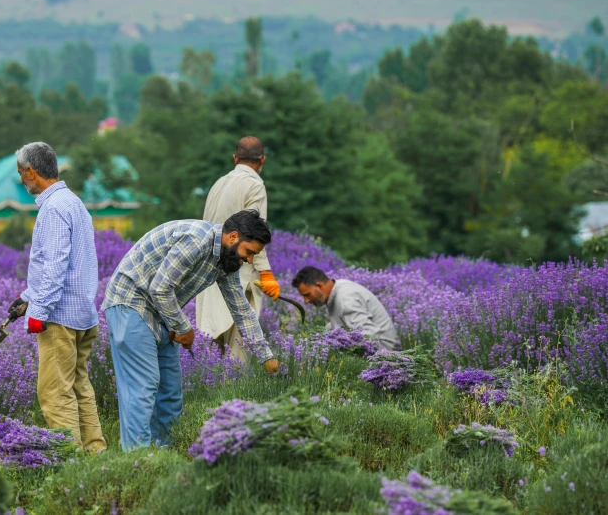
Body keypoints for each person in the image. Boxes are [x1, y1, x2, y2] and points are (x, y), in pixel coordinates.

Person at [102, 210, 280, 451]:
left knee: (170, 392)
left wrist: (266, 355)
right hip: (132, 303)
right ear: (233, 237)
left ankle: (166, 453)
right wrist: (183, 328)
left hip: (164, 311)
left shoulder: (227, 261)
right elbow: (161, 289)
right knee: (142, 387)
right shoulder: (197, 240)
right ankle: (137, 460)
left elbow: (241, 309)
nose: (249, 260)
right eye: (249, 252)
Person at [14, 141, 107, 452]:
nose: (20, 179)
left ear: (31, 171)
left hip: (59, 318)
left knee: (55, 394)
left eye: (20, 173)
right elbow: (66, 263)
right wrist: (27, 296)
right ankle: (95, 453)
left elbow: (55, 263)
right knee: (79, 386)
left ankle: (72, 462)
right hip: (83, 313)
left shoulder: (52, 208)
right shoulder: (72, 202)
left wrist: (38, 311)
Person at [196, 136, 281, 363]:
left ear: (235, 158)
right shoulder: (255, 185)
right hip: (239, 273)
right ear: (262, 160)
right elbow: (254, 235)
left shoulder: (219, 183)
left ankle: (212, 395)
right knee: (238, 349)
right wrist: (265, 273)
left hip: (210, 269)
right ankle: (234, 394)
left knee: (214, 346)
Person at [292, 266, 401, 350]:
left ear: (319, 286)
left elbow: (369, 336)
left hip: (386, 354)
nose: (306, 301)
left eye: (307, 295)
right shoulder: (338, 288)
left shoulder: (346, 300)